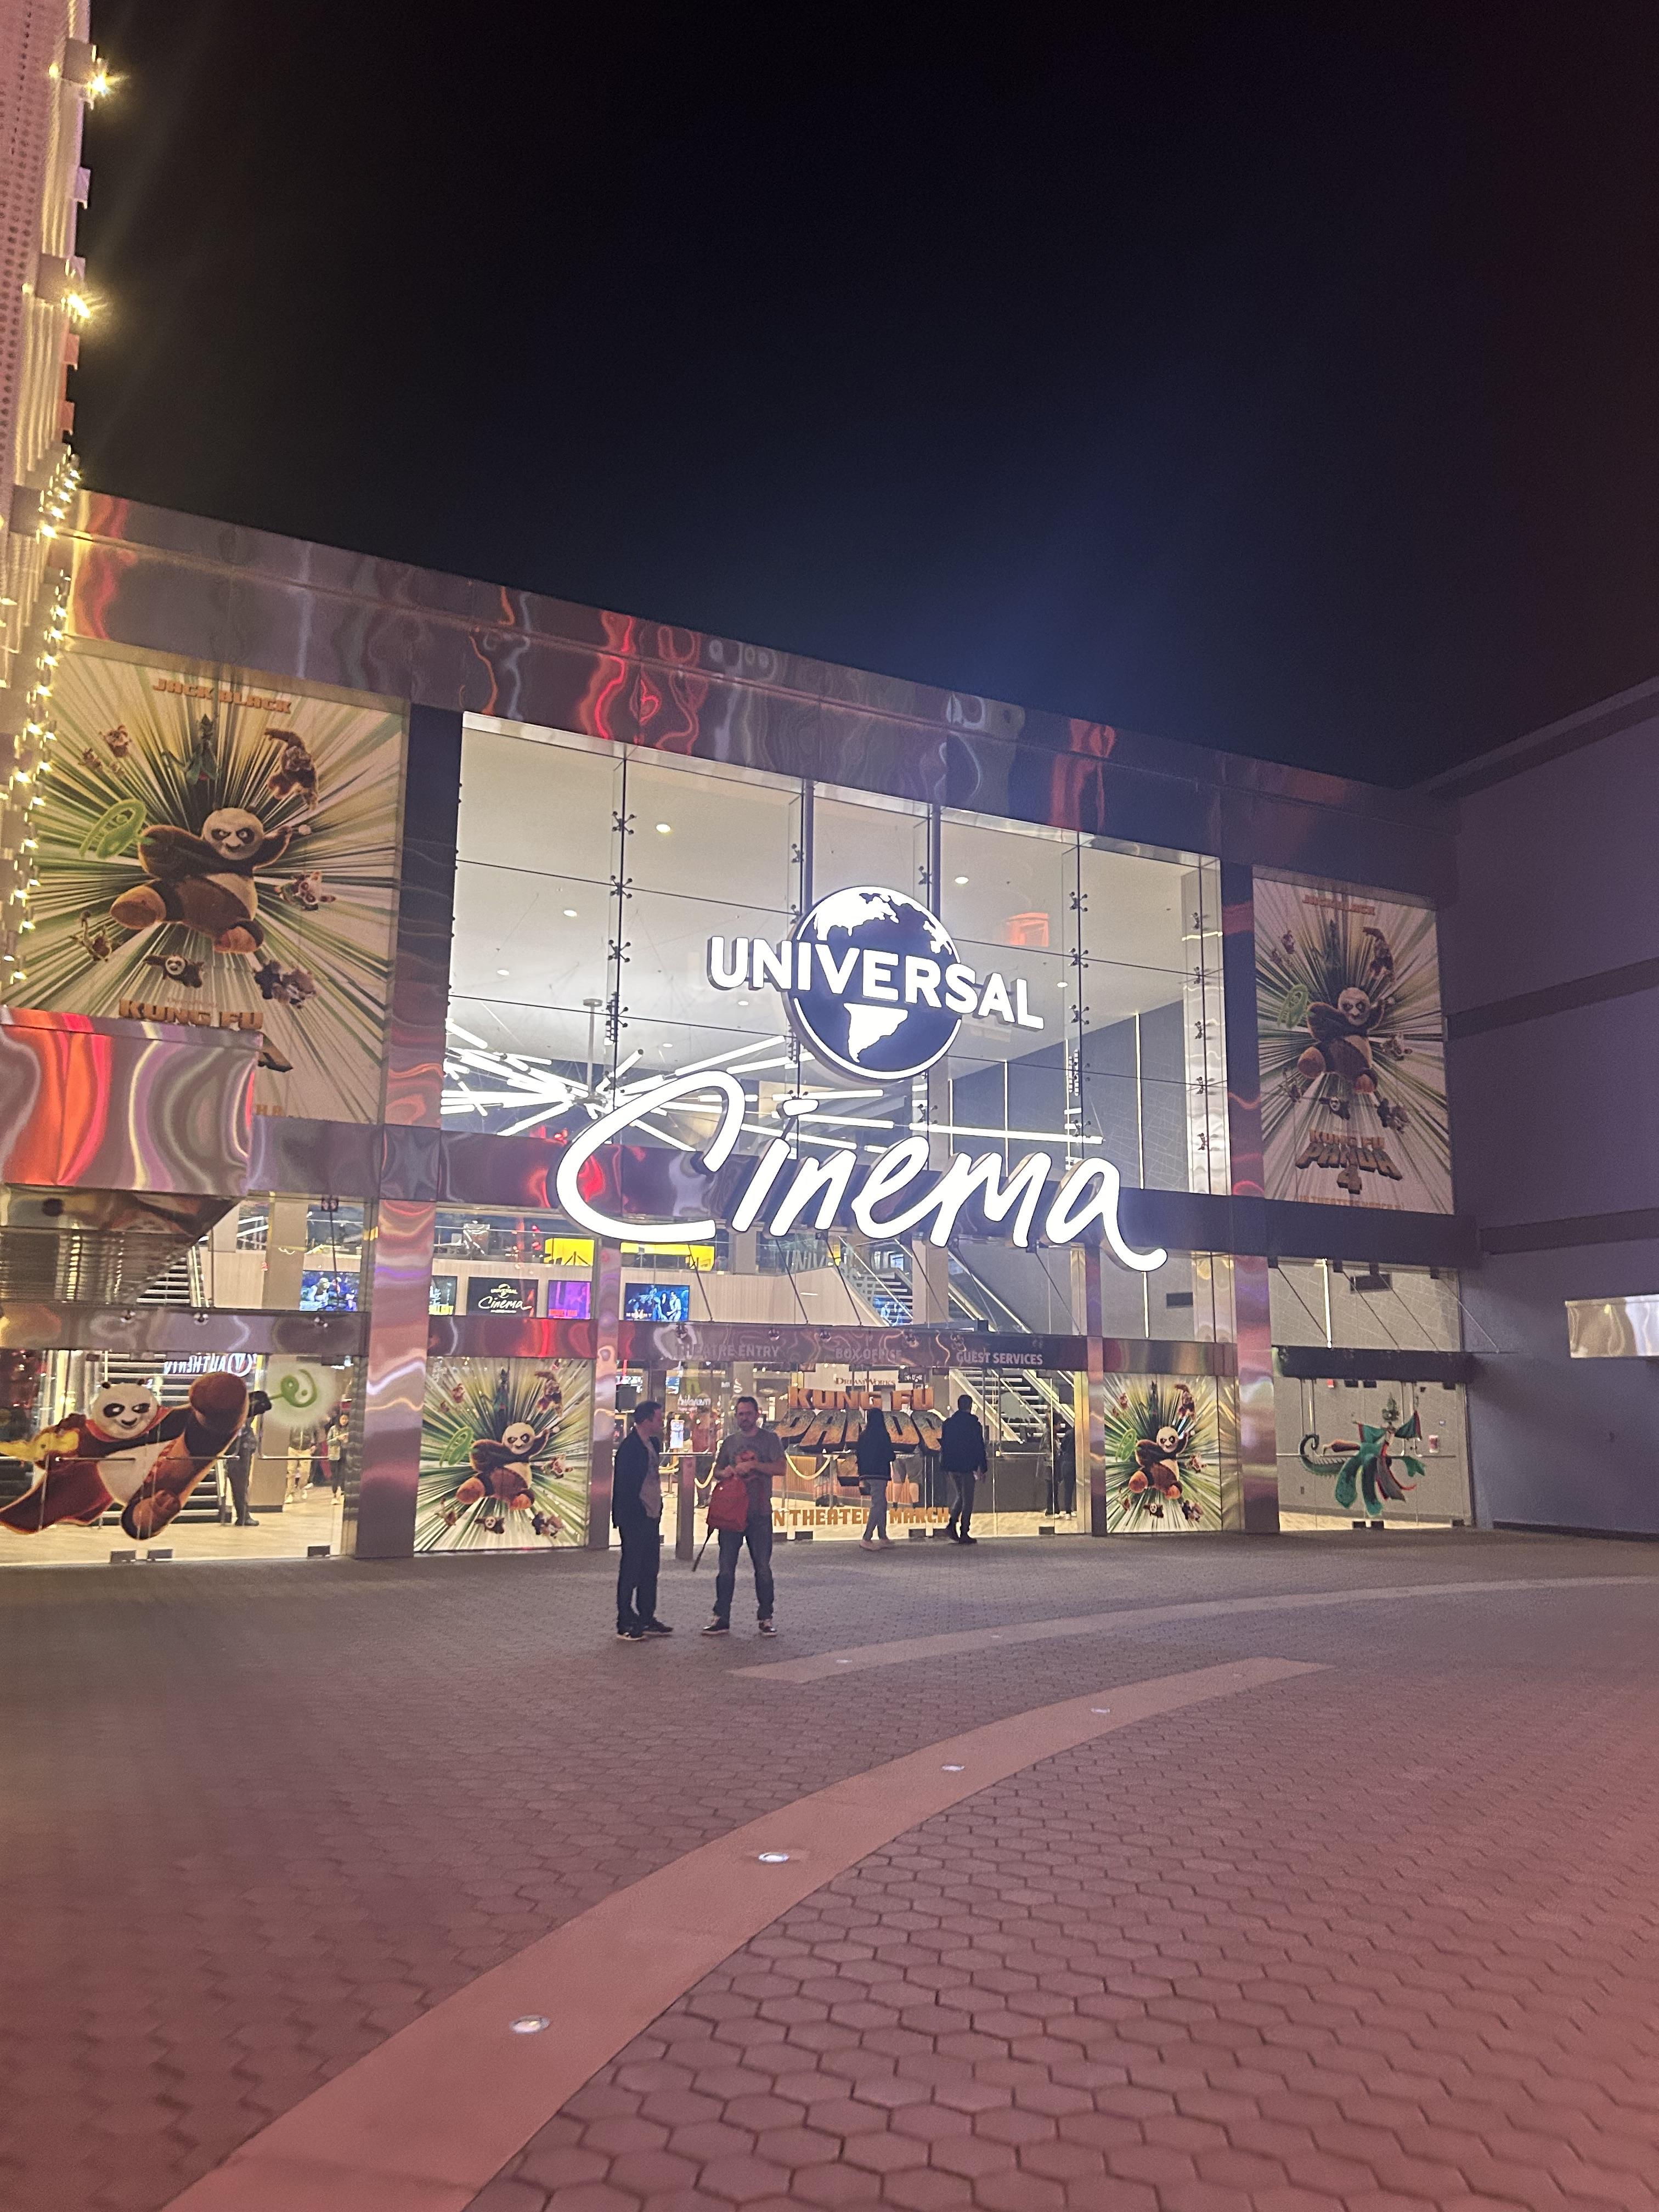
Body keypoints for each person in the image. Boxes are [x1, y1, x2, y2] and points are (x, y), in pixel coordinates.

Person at [704, 1393, 783, 1636]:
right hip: (732, 1515)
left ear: (757, 1414)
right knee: (726, 1568)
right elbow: (717, 1470)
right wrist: (726, 1472)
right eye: (741, 1414)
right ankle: (721, 1617)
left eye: (749, 1414)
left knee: (763, 1568)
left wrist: (755, 1465)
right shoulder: (729, 1442)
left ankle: (766, 1617)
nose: (744, 1418)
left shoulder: (770, 1440)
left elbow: (781, 1468)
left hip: (759, 1514)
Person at [613, 1400, 672, 1641]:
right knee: (631, 1569)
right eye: (659, 1418)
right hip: (635, 1517)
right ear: (647, 1420)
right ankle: (625, 1620)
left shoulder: (653, 1444)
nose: (662, 1422)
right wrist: (635, 1513)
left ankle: (646, 1616)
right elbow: (625, 1487)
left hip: (651, 1515)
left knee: (650, 1568)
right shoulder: (630, 1448)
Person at [940, 1393, 988, 1543]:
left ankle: (952, 1524)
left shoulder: (948, 1424)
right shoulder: (974, 1425)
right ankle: (964, 1532)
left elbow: (945, 1446)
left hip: (952, 1466)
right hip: (967, 1467)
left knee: (960, 1496)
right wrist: (983, 1468)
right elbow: (979, 1447)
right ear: (970, 1406)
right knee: (968, 1500)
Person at [856, 1407, 896, 1549]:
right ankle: (867, 1538)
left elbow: (858, 1454)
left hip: (866, 1474)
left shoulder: (863, 1435)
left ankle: (883, 1535)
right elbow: (890, 1455)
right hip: (879, 1474)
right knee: (878, 1504)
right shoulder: (883, 1435)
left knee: (881, 1503)